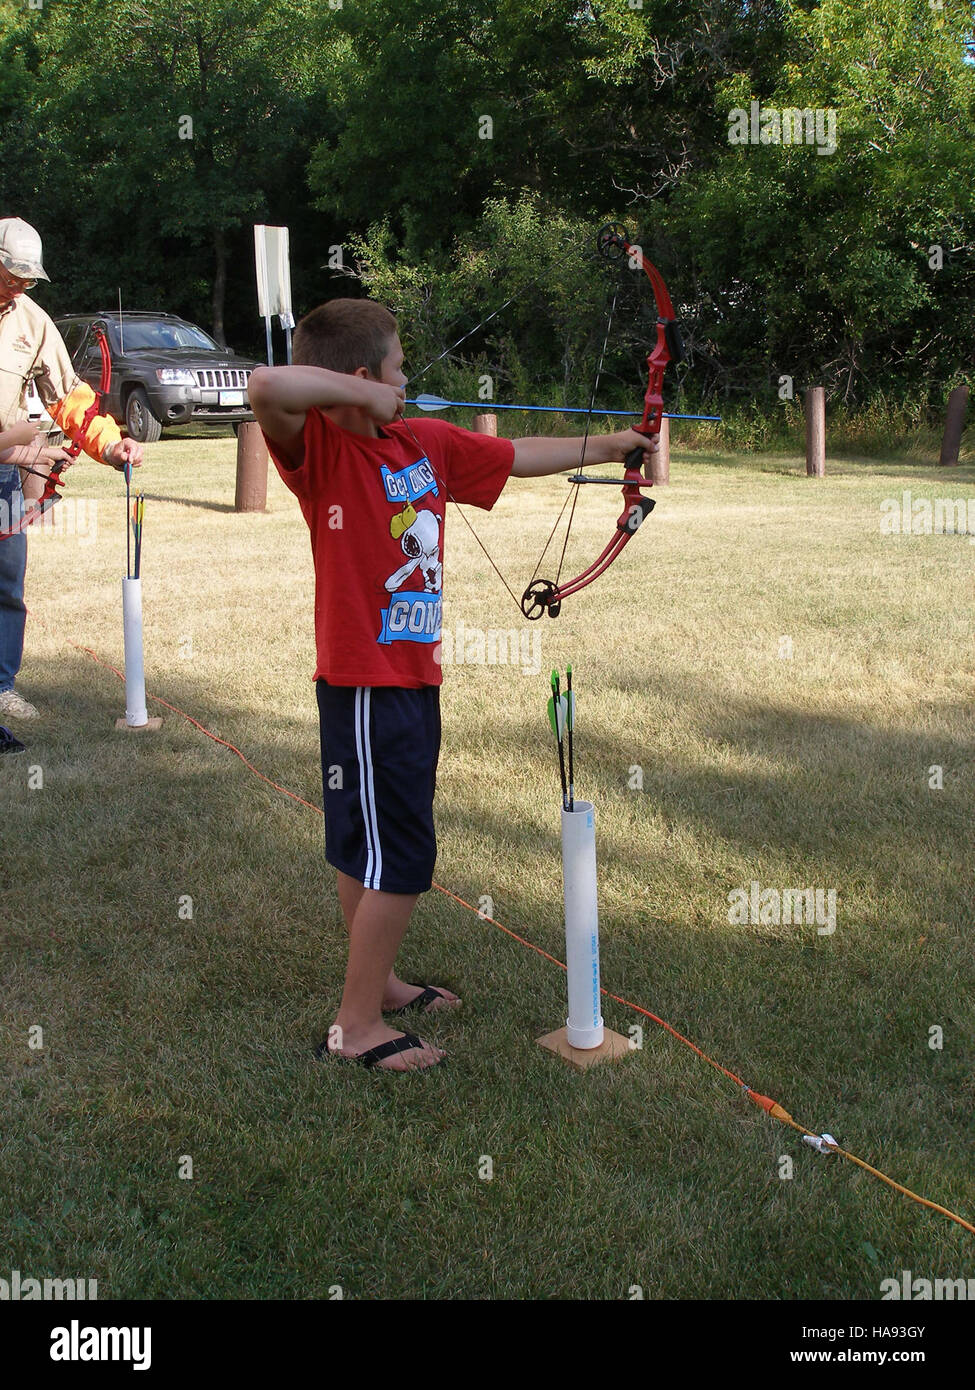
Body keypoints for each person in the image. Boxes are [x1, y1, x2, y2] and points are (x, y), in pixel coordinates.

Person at [248, 298, 657, 1073]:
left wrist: (613, 446)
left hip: (408, 678)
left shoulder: (421, 444)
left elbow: (515, 455)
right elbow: (266, 386)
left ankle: (384, 985)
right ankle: (357, 1025)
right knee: (398, 854)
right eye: (398, 367)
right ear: (364, 378)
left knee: (365, 844)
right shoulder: (323, 450)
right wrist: (360, 401)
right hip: (365, 683)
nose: (407, 380)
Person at [0, 216, 144, 721]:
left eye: (27, 279)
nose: (18, 285)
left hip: (2, 474)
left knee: (6, 582)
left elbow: (70, 402)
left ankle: (1, 686)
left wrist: (112, 446)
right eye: (9, 274)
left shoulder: (34, 323)